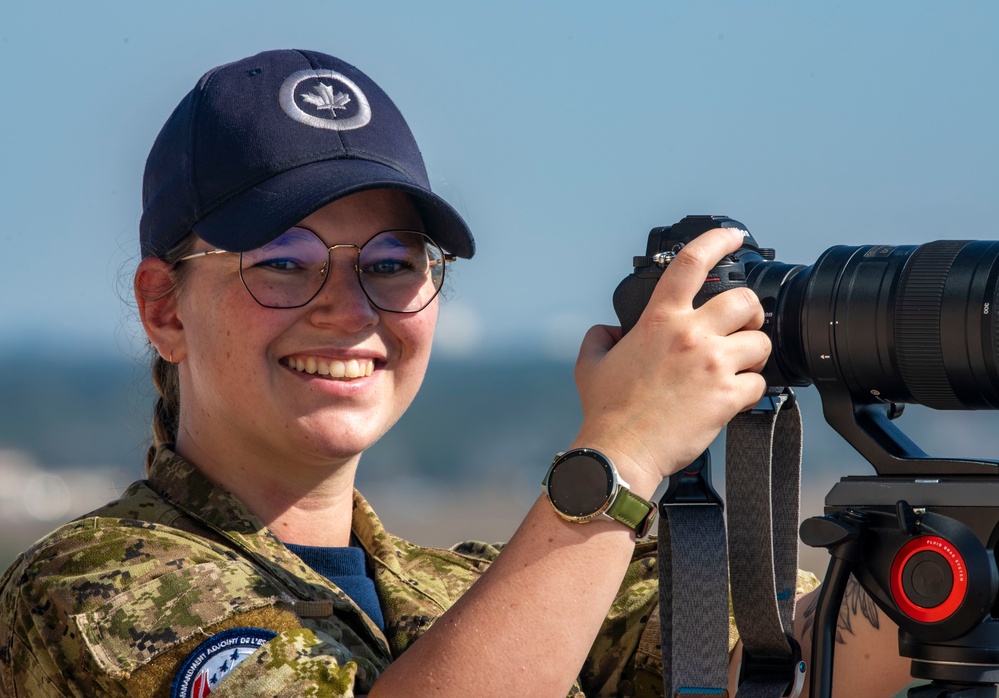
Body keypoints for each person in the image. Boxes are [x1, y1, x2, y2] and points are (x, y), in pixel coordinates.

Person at [0, 48, 912, 697]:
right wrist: (618, 459)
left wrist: (948, 543)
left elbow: (818, 664)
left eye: (392, 261)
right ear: (165, 307)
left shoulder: (477, 594)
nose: (347, 307)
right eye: (282, 259)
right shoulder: (93, 588)